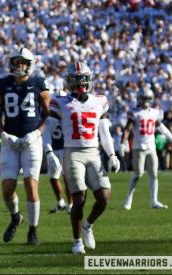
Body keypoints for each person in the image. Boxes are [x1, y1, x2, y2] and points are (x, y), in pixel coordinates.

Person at [42, 61, 120, 254]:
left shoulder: (99, 100)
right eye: (76, 79)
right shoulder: (60, 101)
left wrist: (112, 154)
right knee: (79, 199)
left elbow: (104, 132)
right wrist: (49, 153)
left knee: (104, 197)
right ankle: (77, 241)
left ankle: (87, 226)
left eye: (83, 79)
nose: (80, 83)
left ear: (90, 79)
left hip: (93, 152)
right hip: (72, 152)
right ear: (69, 81)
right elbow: (46, 131)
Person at [0, 47, 51, 245]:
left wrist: (36, 133)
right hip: (11, 141)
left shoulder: (39, 83)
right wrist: (4, 136)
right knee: (7, 189)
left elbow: (48, 114)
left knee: (30, 183)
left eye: (22, 62)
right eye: (16, 62)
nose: (19, 65)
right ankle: (16, 216)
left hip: (31, 141)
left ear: (29, 65)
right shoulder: (1, 85)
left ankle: (33, 231)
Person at [120, 86, 172, 210]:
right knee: (138, 174)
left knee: (153, 174)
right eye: (144, 98)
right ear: (140, 99)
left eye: (148, 98)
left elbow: (163, 129)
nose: (146, 101)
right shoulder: (134, 112)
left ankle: (154, 201)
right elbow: (128, 129)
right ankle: (128, 198)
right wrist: (123, 143)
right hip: (139, 147)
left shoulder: (155, 112)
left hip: (151, 146)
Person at [47, 91, 72, 214]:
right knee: (53, 177)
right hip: (53, 148)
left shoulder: (68, 112)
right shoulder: (49, 113)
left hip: (64, 148)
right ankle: (60, 202)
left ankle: (71, 204)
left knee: (66, 177)